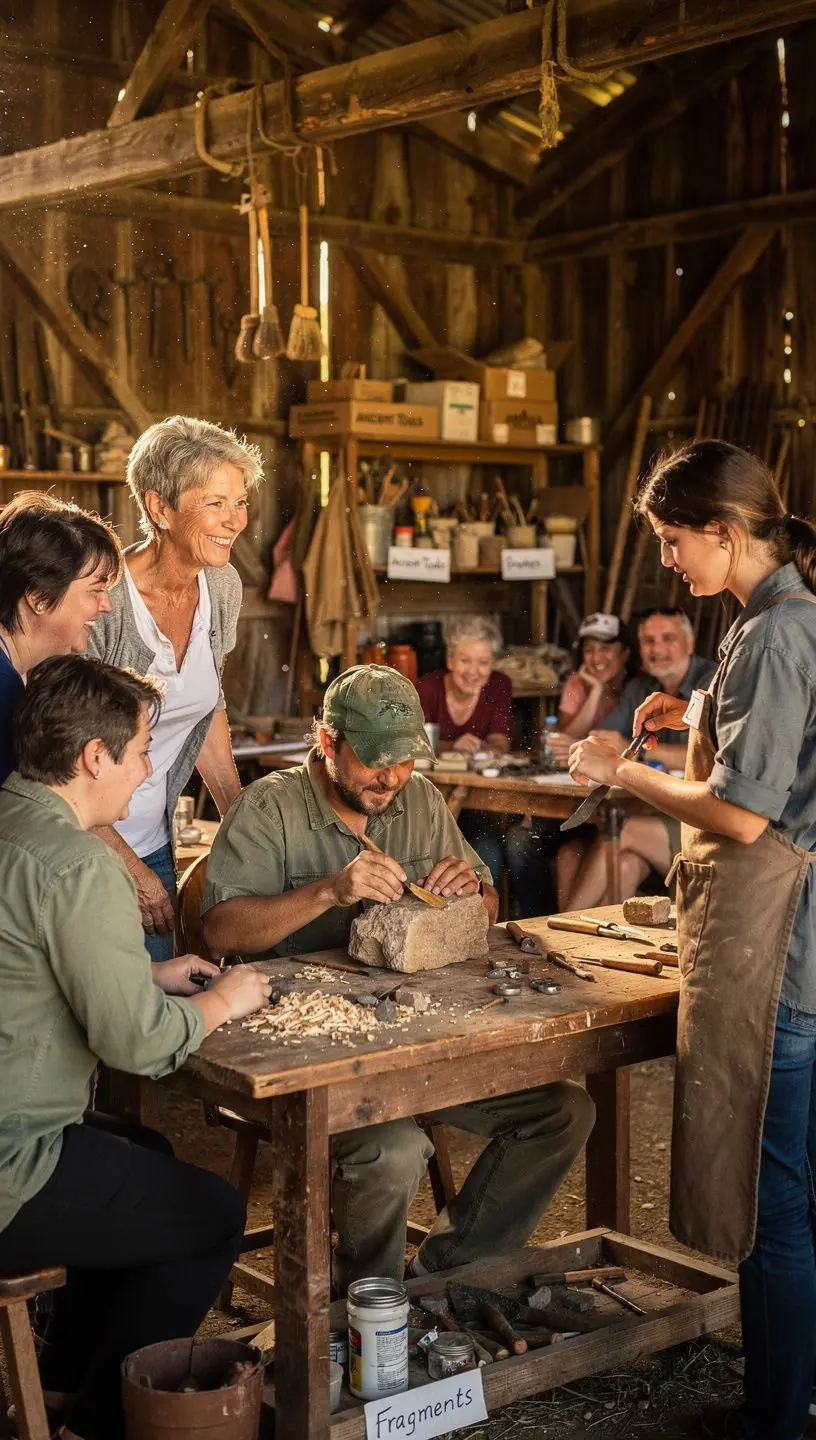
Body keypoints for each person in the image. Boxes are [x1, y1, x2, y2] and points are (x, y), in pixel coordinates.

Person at [202, 664, 595, 1296]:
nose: (391, 778)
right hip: (309, 1052)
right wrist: (330, 890)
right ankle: (371, 1310)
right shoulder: (268, 806)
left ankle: (442, 1279)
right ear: (328, 742)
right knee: (392, 1152)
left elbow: (486, 902)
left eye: (405, 761)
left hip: (415, 1034)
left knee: (563, 1112)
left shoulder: (418, 800)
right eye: (375, 762)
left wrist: (476, 891)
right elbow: (220, 930)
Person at [568, 439, 816, 1440]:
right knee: (795, 1192)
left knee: (773, 1206)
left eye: (676, 541)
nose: (670, 560)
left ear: (726, 530)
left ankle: (773, 1417)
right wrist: (693, 722)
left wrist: (617, 767)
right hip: (797, 947)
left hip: (779, 957)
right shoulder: (770, 621)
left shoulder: (777, 632)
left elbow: (745, 815)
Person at [0, 655, 272, 1440]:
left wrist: (145, 973)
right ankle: (104, 1419)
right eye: (143, 749)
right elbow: (137, 1046)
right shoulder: (82, 864)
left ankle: (58, 1379)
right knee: (214, 1215)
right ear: (94, 757)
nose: (151, 768)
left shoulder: (12, 819)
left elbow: (33, 963)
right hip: (14, 1162)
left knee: (146, 1148)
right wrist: (224, 998)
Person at [88, 415, 265, 961]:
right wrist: (129, 866)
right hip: (87, 850)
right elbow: (58, 759)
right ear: (159, 507)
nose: (234, 520)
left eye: (239, 502)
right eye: (215, 503)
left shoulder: (222, 585)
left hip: (155, 840)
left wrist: (239, 816)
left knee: (160, 1010)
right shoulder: (104, 603)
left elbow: (206, 705)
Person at [563, 607, 715, 910]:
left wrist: (639, 750)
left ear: (690, 642)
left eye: (667, 639)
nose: (657, 649)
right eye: (649, 641)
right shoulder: (641, 687)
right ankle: (583, 948)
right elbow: (604, 736)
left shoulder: (713, 682)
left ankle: (559, 926)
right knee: (623, 865)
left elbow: (714, 758)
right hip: (655, 809)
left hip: (700, 819)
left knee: (625, 831)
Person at [502, 613, 634, 916]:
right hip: (574, 804)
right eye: (589, 649)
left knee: (567, 851)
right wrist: (595, 692)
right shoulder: (578, 683)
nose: (597, 657)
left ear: (624, 653)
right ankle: (537, 923)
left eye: (605, 649)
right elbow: (565, 741)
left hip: (612, 810)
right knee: (518, 843)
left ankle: (555, 924)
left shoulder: (637, 688)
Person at [0, 490, 122, 785]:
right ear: (39, 597)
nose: (107, 605)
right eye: (95, 590)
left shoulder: (23, 674)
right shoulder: (3, 689)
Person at [416, 616, 513, 889]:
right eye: (465, 660)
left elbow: (500, 742)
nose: (473, 671)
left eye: (483, 662)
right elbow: (414, 742)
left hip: (475, 804)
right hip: (430, 801)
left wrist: (483, 747)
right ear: (450, 660)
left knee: (488, 855)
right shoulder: (428, 687)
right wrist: (451, 745)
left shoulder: (499, 686)